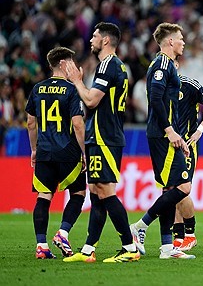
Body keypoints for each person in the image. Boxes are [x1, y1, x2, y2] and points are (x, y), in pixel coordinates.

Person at [62, 22, 139, 263]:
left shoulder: (108, 65)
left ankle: (130, 247)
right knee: (95, 192)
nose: (91, 39)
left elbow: (92, 100)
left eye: (95, 35)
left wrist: (76, 80)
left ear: (106, 40)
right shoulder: (116, 66)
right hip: (101, 135)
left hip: (105, 135)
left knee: (105, 191)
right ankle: (88, 250)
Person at [129, 23, 195, 260]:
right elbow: (155, 99)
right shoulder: (161, 65)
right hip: (161, 133)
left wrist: (177, 135)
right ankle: (139, 226)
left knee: (169, 188)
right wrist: (169, 130)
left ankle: (167, 248)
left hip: (167, 133)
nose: (183, 42)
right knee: (183, 187)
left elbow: (166, 103)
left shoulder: (167, 66)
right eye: (180, 38)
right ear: (169, 42)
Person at [26, 47, 86, 259]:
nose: (73, 67)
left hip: (44, 152)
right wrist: (84, 152)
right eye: (70, 62)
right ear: (62, 64)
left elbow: (30, 122)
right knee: (78, 193)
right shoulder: (71, 90)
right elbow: (78, 125)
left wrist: (34, 149)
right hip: (67, 151)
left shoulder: (37, 89)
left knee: (44, 196)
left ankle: (41, 245)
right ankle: (63, 232)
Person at [172, 59, 203, 251]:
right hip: (169, 147)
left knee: (182, 190)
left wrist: (200, 129)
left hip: (187, 145)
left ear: (176, 66)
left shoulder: (189, 85)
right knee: (171, 192)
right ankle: (178, 238)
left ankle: (190, 235)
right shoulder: (159, 88)